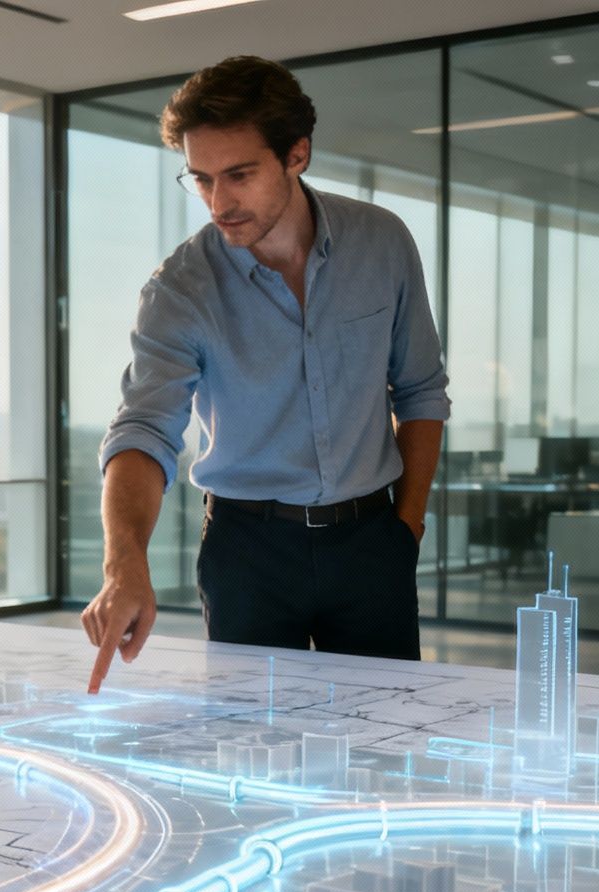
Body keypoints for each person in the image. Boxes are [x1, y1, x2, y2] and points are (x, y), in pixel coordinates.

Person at [82, 55, 448, 693]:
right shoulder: (181, 288)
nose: (219, 203)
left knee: (389, 741)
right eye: (200, 179)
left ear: (297, 154)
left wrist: (405, 528)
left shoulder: (384, 243)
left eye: (239, 175)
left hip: (371, 543)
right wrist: (124, 564)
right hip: (247, 552)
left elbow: (420, 392)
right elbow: (143, 431)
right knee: (251, 753)